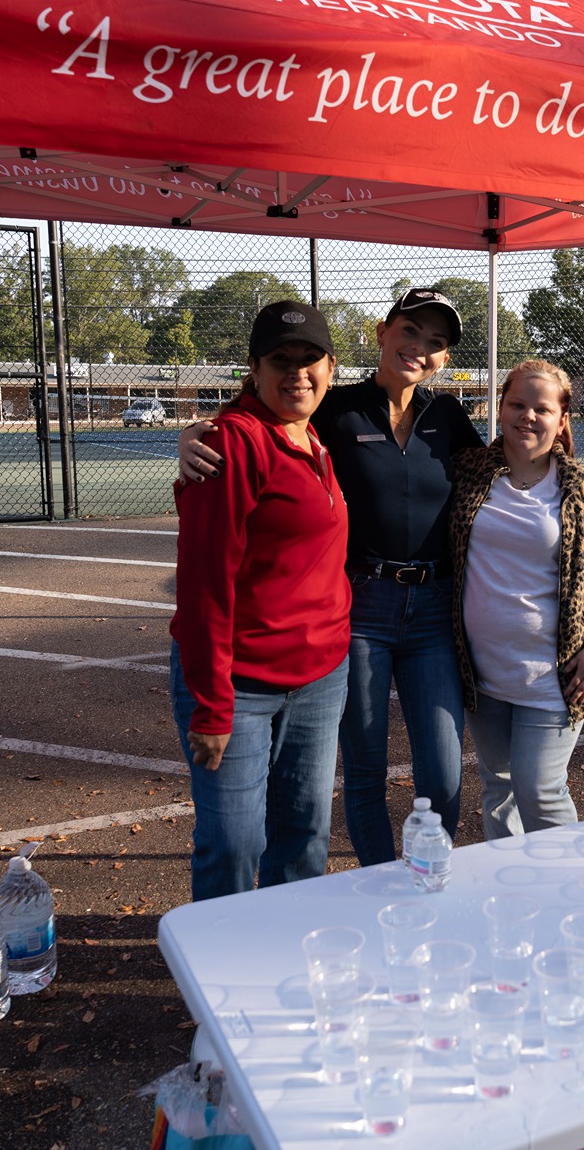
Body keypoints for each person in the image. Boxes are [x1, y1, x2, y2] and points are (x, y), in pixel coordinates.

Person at [180, 287, 483, 865]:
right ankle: (379, 883)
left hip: (432, 608)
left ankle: (430, 873)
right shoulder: (334, 406)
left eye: (436, 342)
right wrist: (196, 432)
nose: (419, 347)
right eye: (410, 331)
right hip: (363, 604)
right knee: (364, 770)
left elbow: (498, 470)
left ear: (445, 358)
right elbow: (263, 417)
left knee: (443, 771)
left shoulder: (447, 416)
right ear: (383, 333)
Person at [169, 300, 351, 902]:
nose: (297, 372)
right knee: (234, 842)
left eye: (310, 359)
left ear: (331, 366)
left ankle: (287, 943)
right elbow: (204, 583)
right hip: (240, 684)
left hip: (320, 677)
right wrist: (212, 706)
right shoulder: (233, 444)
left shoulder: (313, 434)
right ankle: (217, 953)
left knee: (303, 834)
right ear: (253, 368)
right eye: (280, 360)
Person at [449, 359, 584, 837]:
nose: (527, 416)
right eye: (517, 404)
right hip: (483, 669)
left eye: (542, 409)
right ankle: (508, 878)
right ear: (501, 408)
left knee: (539, 788)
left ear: (562, 418)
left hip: (553, 672)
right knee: (498, 786)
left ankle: (565, 877)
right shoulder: (469, 472)